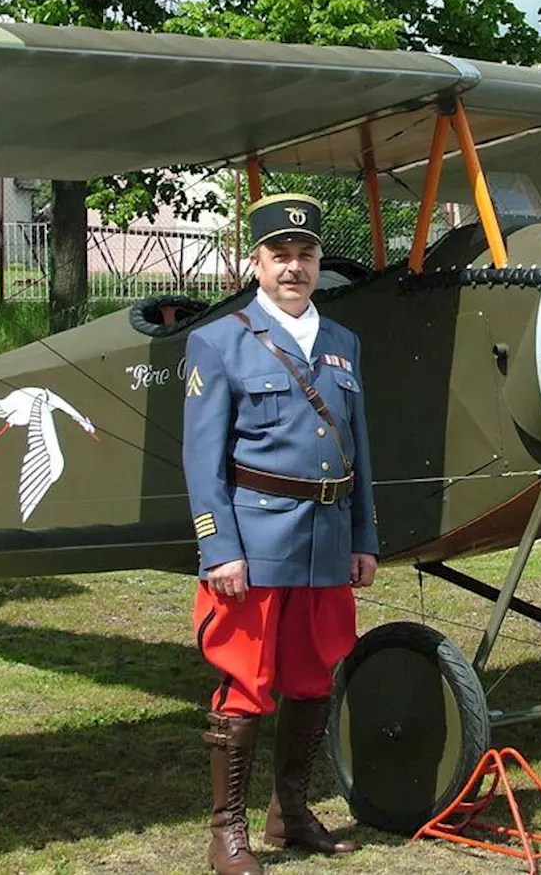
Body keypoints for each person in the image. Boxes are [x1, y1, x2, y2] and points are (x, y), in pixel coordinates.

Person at [182, 192, 378, 875]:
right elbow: (202, 463)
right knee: (245, 681)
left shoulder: (343, 343)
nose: (293, 267)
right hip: (256, 541)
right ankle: (226, 831)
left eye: (305, 255)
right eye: (279, 255)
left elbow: (359, 451)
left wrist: (364, 538)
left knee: (313, 676)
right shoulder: (218, 341)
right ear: (255, 262)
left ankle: (289, 814)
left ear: (319, 261)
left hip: (326, 540)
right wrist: (219, 549)